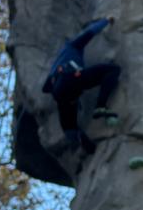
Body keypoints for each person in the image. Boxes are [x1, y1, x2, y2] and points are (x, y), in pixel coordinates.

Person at [42, 16, 121, 154]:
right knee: (112, 70)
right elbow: (90, 33)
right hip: (71, 79)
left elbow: (46, 88)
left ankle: (84, 146)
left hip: (60, 94)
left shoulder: (56, 64)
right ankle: (100, 106)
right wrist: (106, 21)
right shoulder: (72, 46)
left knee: (70, 126)